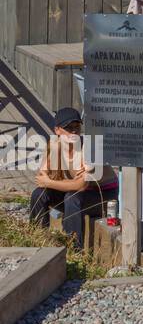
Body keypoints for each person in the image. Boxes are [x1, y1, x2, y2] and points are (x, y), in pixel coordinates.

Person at [28, 107, 117, 249]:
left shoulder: (89, 147)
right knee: (39, 194)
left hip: (103, 196)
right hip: (78, 194)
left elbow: (81, 186)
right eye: (68, 128)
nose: (74, 131)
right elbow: (41, 180)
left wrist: (51, 182)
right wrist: (63, 182)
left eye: (77, 127)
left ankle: (73, 249)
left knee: (72, 197)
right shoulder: (54, 146)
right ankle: (37, 241)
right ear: (57, 130)